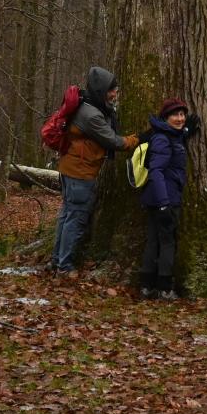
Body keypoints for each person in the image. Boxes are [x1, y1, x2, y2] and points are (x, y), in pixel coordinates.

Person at [51, 66, 139, 273]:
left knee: (67, 216)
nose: (115, 93)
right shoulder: (91, 115)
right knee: (75, 219)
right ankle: (64, 266)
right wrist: (136, 140)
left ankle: (57, 260)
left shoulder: (88, 105)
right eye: (111, 90)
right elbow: (113, 141)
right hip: (79, 173)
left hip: (71, 169)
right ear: (101, 91)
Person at [138, 97, 200, 299]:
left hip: (158, 197)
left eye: (182, 114)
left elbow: (176, 140)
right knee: (166, 242)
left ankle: (146, 285)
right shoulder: (163, 139)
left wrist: (187, 132)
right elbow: (156, 171)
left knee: (154, 239)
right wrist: (164, 204)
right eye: (175, 115)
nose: (180, 118)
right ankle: (164, 288)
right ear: (166, 117)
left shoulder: (169, 135)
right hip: (165, 199)